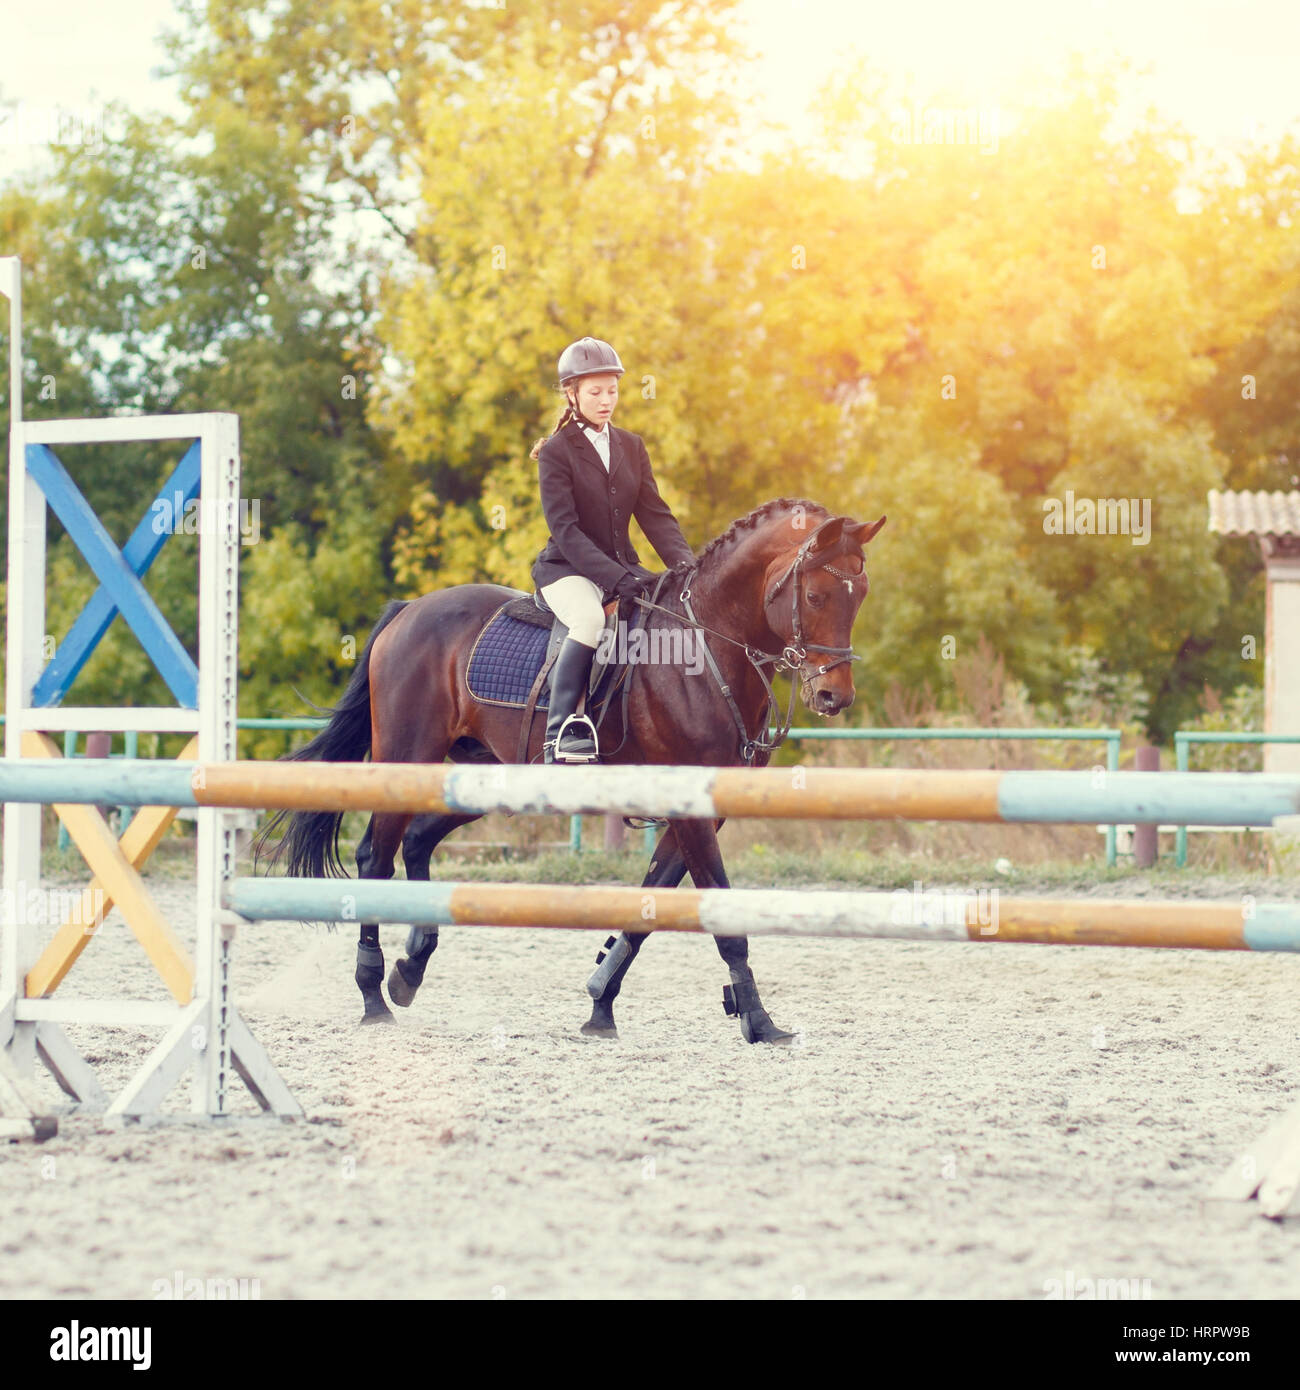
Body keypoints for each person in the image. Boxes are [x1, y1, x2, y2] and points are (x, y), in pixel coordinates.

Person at [529, 336, 694, 762]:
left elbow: (655, 516)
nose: (606, 401)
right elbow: (565, 531)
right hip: (568, 570)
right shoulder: (556, 452)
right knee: (588, 621)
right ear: (572, 393)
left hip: (623, 567)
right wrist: (617, 578)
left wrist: (688, 569)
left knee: (666, 617)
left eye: (612, 391)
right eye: (595, 392)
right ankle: (561, 734)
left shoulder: (631, 446)